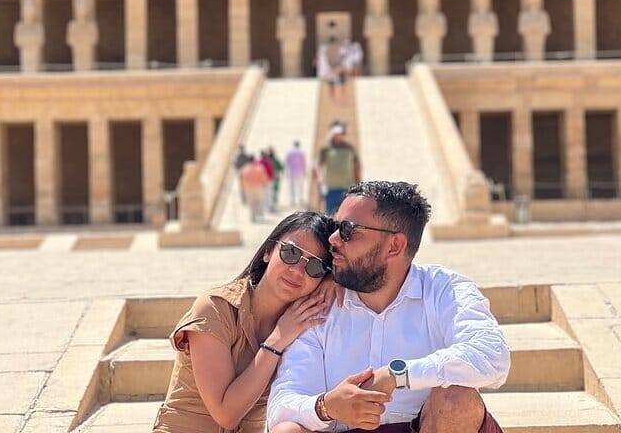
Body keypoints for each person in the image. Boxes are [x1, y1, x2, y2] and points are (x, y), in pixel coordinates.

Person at [267, 181, 510, 433]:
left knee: (456, 399)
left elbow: (492, 355)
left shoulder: (443, 289)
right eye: (334, 226)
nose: (333, 238)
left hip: (429, 425)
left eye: (348, 230)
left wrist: (397, 375)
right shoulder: (320, 303)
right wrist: (326, 407)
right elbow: (281, 406)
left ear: (394, 246)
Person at [153, 211, 338, 433]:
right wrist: (277, 340)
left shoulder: (305, 320)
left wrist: (336, 280)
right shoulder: (215, 308)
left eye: (315, 267)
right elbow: (226, 414)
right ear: (268, 251)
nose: (298, 271)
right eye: (290, 253)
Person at [317, 124, 360, 214]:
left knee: (346, 215)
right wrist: (320, 179)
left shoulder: (349, 148)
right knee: (331, 215)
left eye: (340, 134)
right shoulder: (326, 148)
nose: (338, 137)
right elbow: (319, 165)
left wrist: (358, 183)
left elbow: (356, 165)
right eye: (336, 134)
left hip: (347, 188)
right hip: (331, 189)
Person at [239, 155, 269, 222]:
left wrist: (243, 188)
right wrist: (264, 185)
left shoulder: (244, 169)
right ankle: (258, 214)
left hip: (248, 188)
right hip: (258, 188)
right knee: (258, 202)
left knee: (251, 203)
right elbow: (264, 178)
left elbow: (242, 179)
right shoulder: (259, 168)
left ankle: (252, 216)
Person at [285, 140, 307, 207]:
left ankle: (292, 200)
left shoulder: (289, 152)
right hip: (300, 172)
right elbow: (304, 163)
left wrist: (286, 171)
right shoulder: (302, 152)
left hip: (292, 171)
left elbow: (287, 162)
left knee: (292, 187)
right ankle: (300, 199)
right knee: (300, 187)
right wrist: (304, 172)